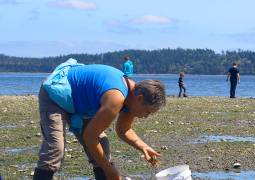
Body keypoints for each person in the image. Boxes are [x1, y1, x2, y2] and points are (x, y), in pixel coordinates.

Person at [33, 58, 166, 180]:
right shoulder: (116, 98)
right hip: (56, 93)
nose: (146, 116)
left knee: (102, 144)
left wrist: (143, 147)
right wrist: (109, 170)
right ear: (140, 99)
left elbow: (124, 130)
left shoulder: (132, 99)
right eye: (147, 112)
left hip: (79, 102)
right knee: (55, 149)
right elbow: (89, 137)